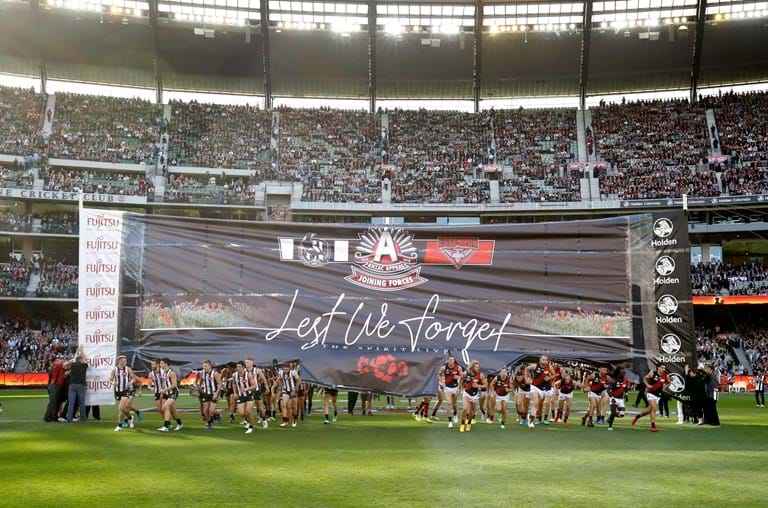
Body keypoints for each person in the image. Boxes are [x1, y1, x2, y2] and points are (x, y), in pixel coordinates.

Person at [631, 364, 670, 432]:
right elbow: (644, 378)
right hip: (651, 393)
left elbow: (669, 382)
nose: (663, 369)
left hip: (658, 395)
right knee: (654, 409)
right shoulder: (652, 373)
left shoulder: (666, 376)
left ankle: (638, 416)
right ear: (658, 368)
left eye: (664, 368)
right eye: (662, 368)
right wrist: (647, 385)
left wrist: (665, 386)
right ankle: (653, 426)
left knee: (649, 410)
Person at [110, 355, 140, 432]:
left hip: (125, 390)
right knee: (123, 409)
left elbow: (134, 378)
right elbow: (110, 380)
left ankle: (119, 426)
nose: (125, 362)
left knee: (120, 408)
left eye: (126, 361)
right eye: (124, 361)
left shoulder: (128, 369)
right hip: (117, 391)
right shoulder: (114, 370)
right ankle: (130, 418)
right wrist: (113, 382)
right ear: (119, 361)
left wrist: (131, 382)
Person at [526, 355, 554, 428]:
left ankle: (532, 416)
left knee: (541, 404)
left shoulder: (549, 367)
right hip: (535, 386)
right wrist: (528, 378)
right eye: (543, 359)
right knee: (536, 403)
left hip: (545, 389)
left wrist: (549, 378)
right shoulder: (535, 366)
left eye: (546, 360)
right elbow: (526, 369)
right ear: (540, 360)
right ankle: (531, 422)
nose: (544, 361)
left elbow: (554, 375)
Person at [156, 358, 183, 432]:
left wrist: (164, 390)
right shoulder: (164, 372)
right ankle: (179, 423)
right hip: (167, 393)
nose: (160, 365)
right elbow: (165, 383)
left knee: (165, 407)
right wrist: (163, 392)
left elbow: (174, 385)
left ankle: (166, 426)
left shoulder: (171, 372)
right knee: (173, 410)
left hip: (173, 392)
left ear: (166, 364)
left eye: (161, 363)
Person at [459, 360, 487, 432]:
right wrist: (460, 387)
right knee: (465, 408)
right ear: (472, 367)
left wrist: (478, 386)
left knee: (472, 411)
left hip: (475, 395)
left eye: (478, 367)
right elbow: (461, 379)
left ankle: (469, 423)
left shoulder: (481, 375)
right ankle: (462, 424)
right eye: (476, 367)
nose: (478, 368)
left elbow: (485, 385)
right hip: (467, 393)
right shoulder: (466, 373)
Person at [438, 353, 463, 428]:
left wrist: (459, 386)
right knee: (449, 403)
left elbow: (462, 377)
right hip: (447, 387)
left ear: (454, 360)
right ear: (448, 360)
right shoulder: (444, 367)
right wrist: (441, 382)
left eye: (452, 360)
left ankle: (455, 414)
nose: (451, 361)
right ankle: (449, 421)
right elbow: (438, 374)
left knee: (454, 404)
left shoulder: (458, 368)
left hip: (455, 387)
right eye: (450, 360)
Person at [232, 361, 256, 434]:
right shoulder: (234, 375)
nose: (238, 368)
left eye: (239, 367)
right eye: (237, 367)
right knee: (242, 413)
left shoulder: (248, 375)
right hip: (241, 396)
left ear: (243, 367)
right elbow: (234, 384)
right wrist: (235, 393)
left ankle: (251, 427)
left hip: (249, 395)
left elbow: (254, 386)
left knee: (248, 411)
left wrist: (246, 389)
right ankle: (248, 420)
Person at [196, 360, 221, 430]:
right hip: (206, 393)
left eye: (206, 366)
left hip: (214, 393)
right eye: (203, 366)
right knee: (205, 411)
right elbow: (200, 382)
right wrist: (199, 388)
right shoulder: (202, 373)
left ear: (210, 366)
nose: (204, 367)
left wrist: (217, 393)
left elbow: (219, 384)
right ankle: (209, 423)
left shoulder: (215, 373)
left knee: (211, 411)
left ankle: (218, 414)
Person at [66, 350, 88, 423]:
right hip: (81, 385)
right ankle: (83, 418)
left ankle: (69, 418)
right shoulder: (84, 365)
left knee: (71, 403)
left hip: (72, 385)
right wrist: (82, 351)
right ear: (80, 360)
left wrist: (74, 357)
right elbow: (86, 359)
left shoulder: (73, 365)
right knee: (82, 403)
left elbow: (65, 365)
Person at [277, 363, 300, 428]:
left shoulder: (293, 372)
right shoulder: (281, 372)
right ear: (283, 368)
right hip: (285, 390)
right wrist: (280, 388)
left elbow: (298, 380)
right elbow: (279, 380)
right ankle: (285, 421)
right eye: (284, 369)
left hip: (293, 390)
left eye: (287, 369)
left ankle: (294, 419)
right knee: (283, 405)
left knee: (294, 407)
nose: (285, 370)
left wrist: (295, 389)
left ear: (289, 368)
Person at [44, 355, 65, 422]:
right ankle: (47, 417)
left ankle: (53, 417)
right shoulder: (56, 365)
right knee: (53, 402)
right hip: (54, 385)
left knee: (55, 402)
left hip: (53, 385)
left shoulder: (54, 366)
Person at [606, 367, 628, 431]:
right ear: (619, 373)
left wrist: (626, 394)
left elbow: (625, 387)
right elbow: (608, 390)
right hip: (613, 398)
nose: (624, 373)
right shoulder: (614, 380)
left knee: (622, 414)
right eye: (623, 372)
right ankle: (610, 426)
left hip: (621, 399)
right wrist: (612, 398)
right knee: (614, 413)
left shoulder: (625, 380)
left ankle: (610, 415)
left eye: (624, 372)